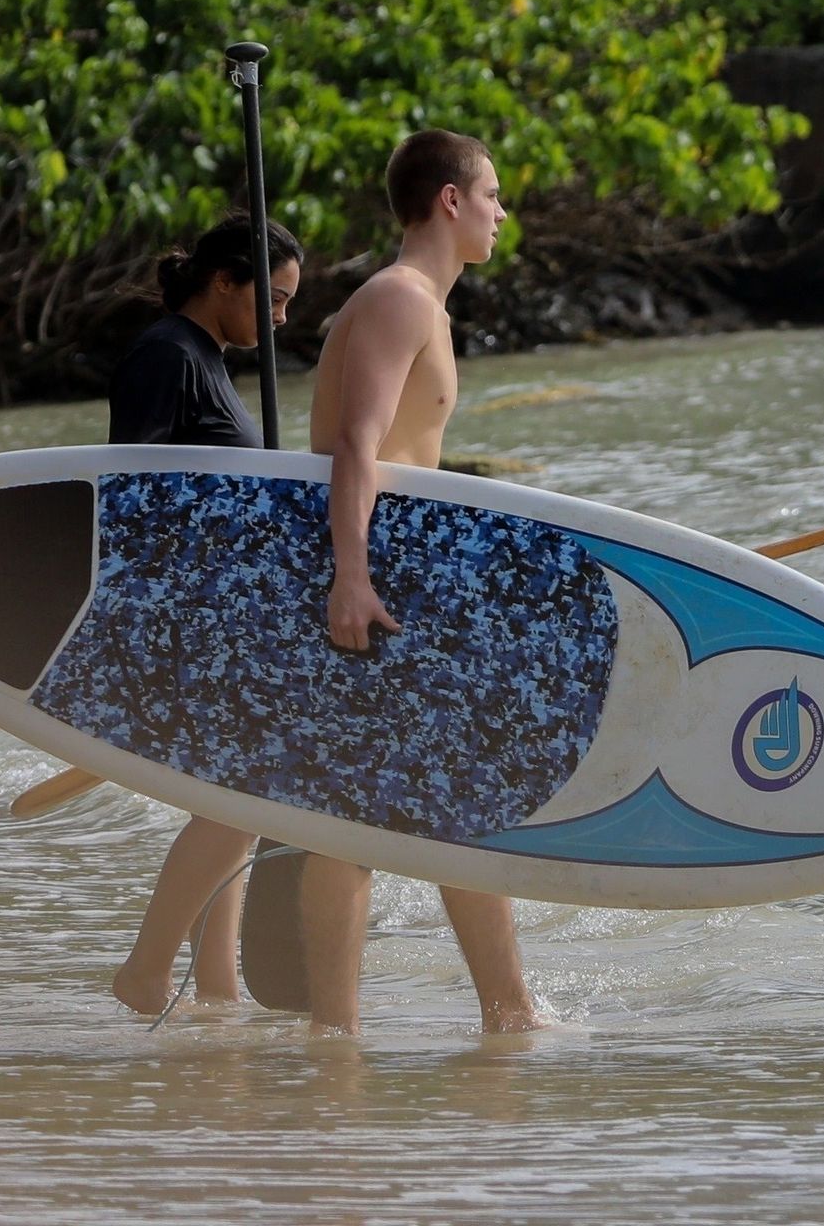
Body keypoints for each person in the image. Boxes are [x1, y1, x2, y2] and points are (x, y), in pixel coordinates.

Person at [300, 128, 541, 1035]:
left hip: (403, 578)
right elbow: (355, 444)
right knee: (368, 813)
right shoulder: (401, 299)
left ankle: (492, 1015)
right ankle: (347, 1031)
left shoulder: (425, 306)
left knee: (435, 801)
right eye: (492, 194)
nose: (501, 212)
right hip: (372, 577)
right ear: (450, 200)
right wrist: (351, 577)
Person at [108, 213, 304, 1015]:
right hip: (189, 621)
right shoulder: (166, 356)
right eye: (274, 298)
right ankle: (147, 969)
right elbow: (130, 499)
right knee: (244, 798)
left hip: (225, 617)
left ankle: (217, 991)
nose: (282, 319)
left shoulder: (206, 359)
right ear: (224, 282)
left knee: (229, 801)